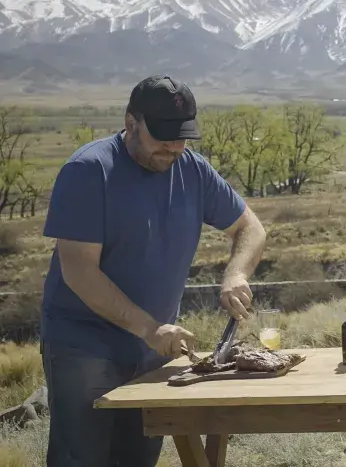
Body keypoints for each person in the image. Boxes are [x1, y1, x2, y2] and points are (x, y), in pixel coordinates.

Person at [40, 74, 267, 467]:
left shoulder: (194, 171)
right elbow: (79, 272)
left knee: (139, 458)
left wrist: (236, 274)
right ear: (131, 123)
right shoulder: (89, 171)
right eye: (162, 135)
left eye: (182, 136)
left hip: (152, 350)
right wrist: (149, 328)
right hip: (85, 347)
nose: (173, 147)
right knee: (82, 459)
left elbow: (251, 227)